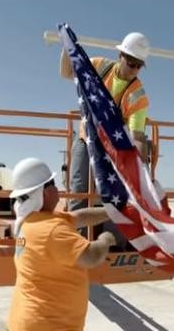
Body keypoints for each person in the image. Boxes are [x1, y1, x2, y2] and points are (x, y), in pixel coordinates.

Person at [7, 157, 116, 331]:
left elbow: (80, 217)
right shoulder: (51, 230)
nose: (58, 189)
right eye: (53, 185)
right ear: (42, 192)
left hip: (28, 322)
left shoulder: (32, 220)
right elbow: (91, 256)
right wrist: (106, 239)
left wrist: (113, 212)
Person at [60, 31, 151, 212]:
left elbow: (138, 137)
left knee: (113, 195)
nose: (134, 69)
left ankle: (114, 238)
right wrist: (66, 47)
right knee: (79, 190)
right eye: (131, 63)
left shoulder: (138, 96)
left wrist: (140, 170)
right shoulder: (99, 66)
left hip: (113, 150)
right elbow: (67, 72)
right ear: (120, 56)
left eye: (139, 66)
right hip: (87, 138)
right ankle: (78, 237)